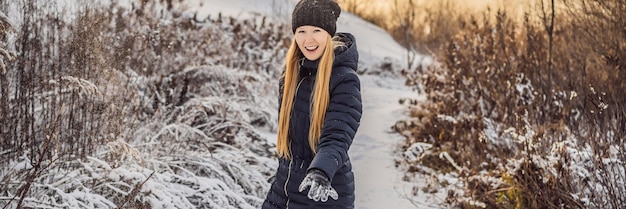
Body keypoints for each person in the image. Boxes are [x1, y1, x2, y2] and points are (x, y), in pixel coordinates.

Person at [262, 0, 362, 208]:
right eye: (301, 31)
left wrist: (321, 170)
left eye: (316, 30)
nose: (308, 39)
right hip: (285, 187)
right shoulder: (291, 76)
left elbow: (338, 134)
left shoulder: (344, 79)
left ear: (329, 33)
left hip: (323, 192)